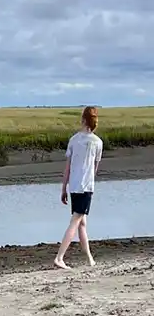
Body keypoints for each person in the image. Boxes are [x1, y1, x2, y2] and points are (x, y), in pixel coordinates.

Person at [53, 106, 103, 270]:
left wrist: (64, 188)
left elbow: (67, 168)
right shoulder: (97, 142)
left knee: (82, 223)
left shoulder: (74, 140)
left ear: (83, 120)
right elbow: (94, 169)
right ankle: (59, 257)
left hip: (74, 186)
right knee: (75, 221)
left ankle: (90, 259)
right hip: (86, 186)